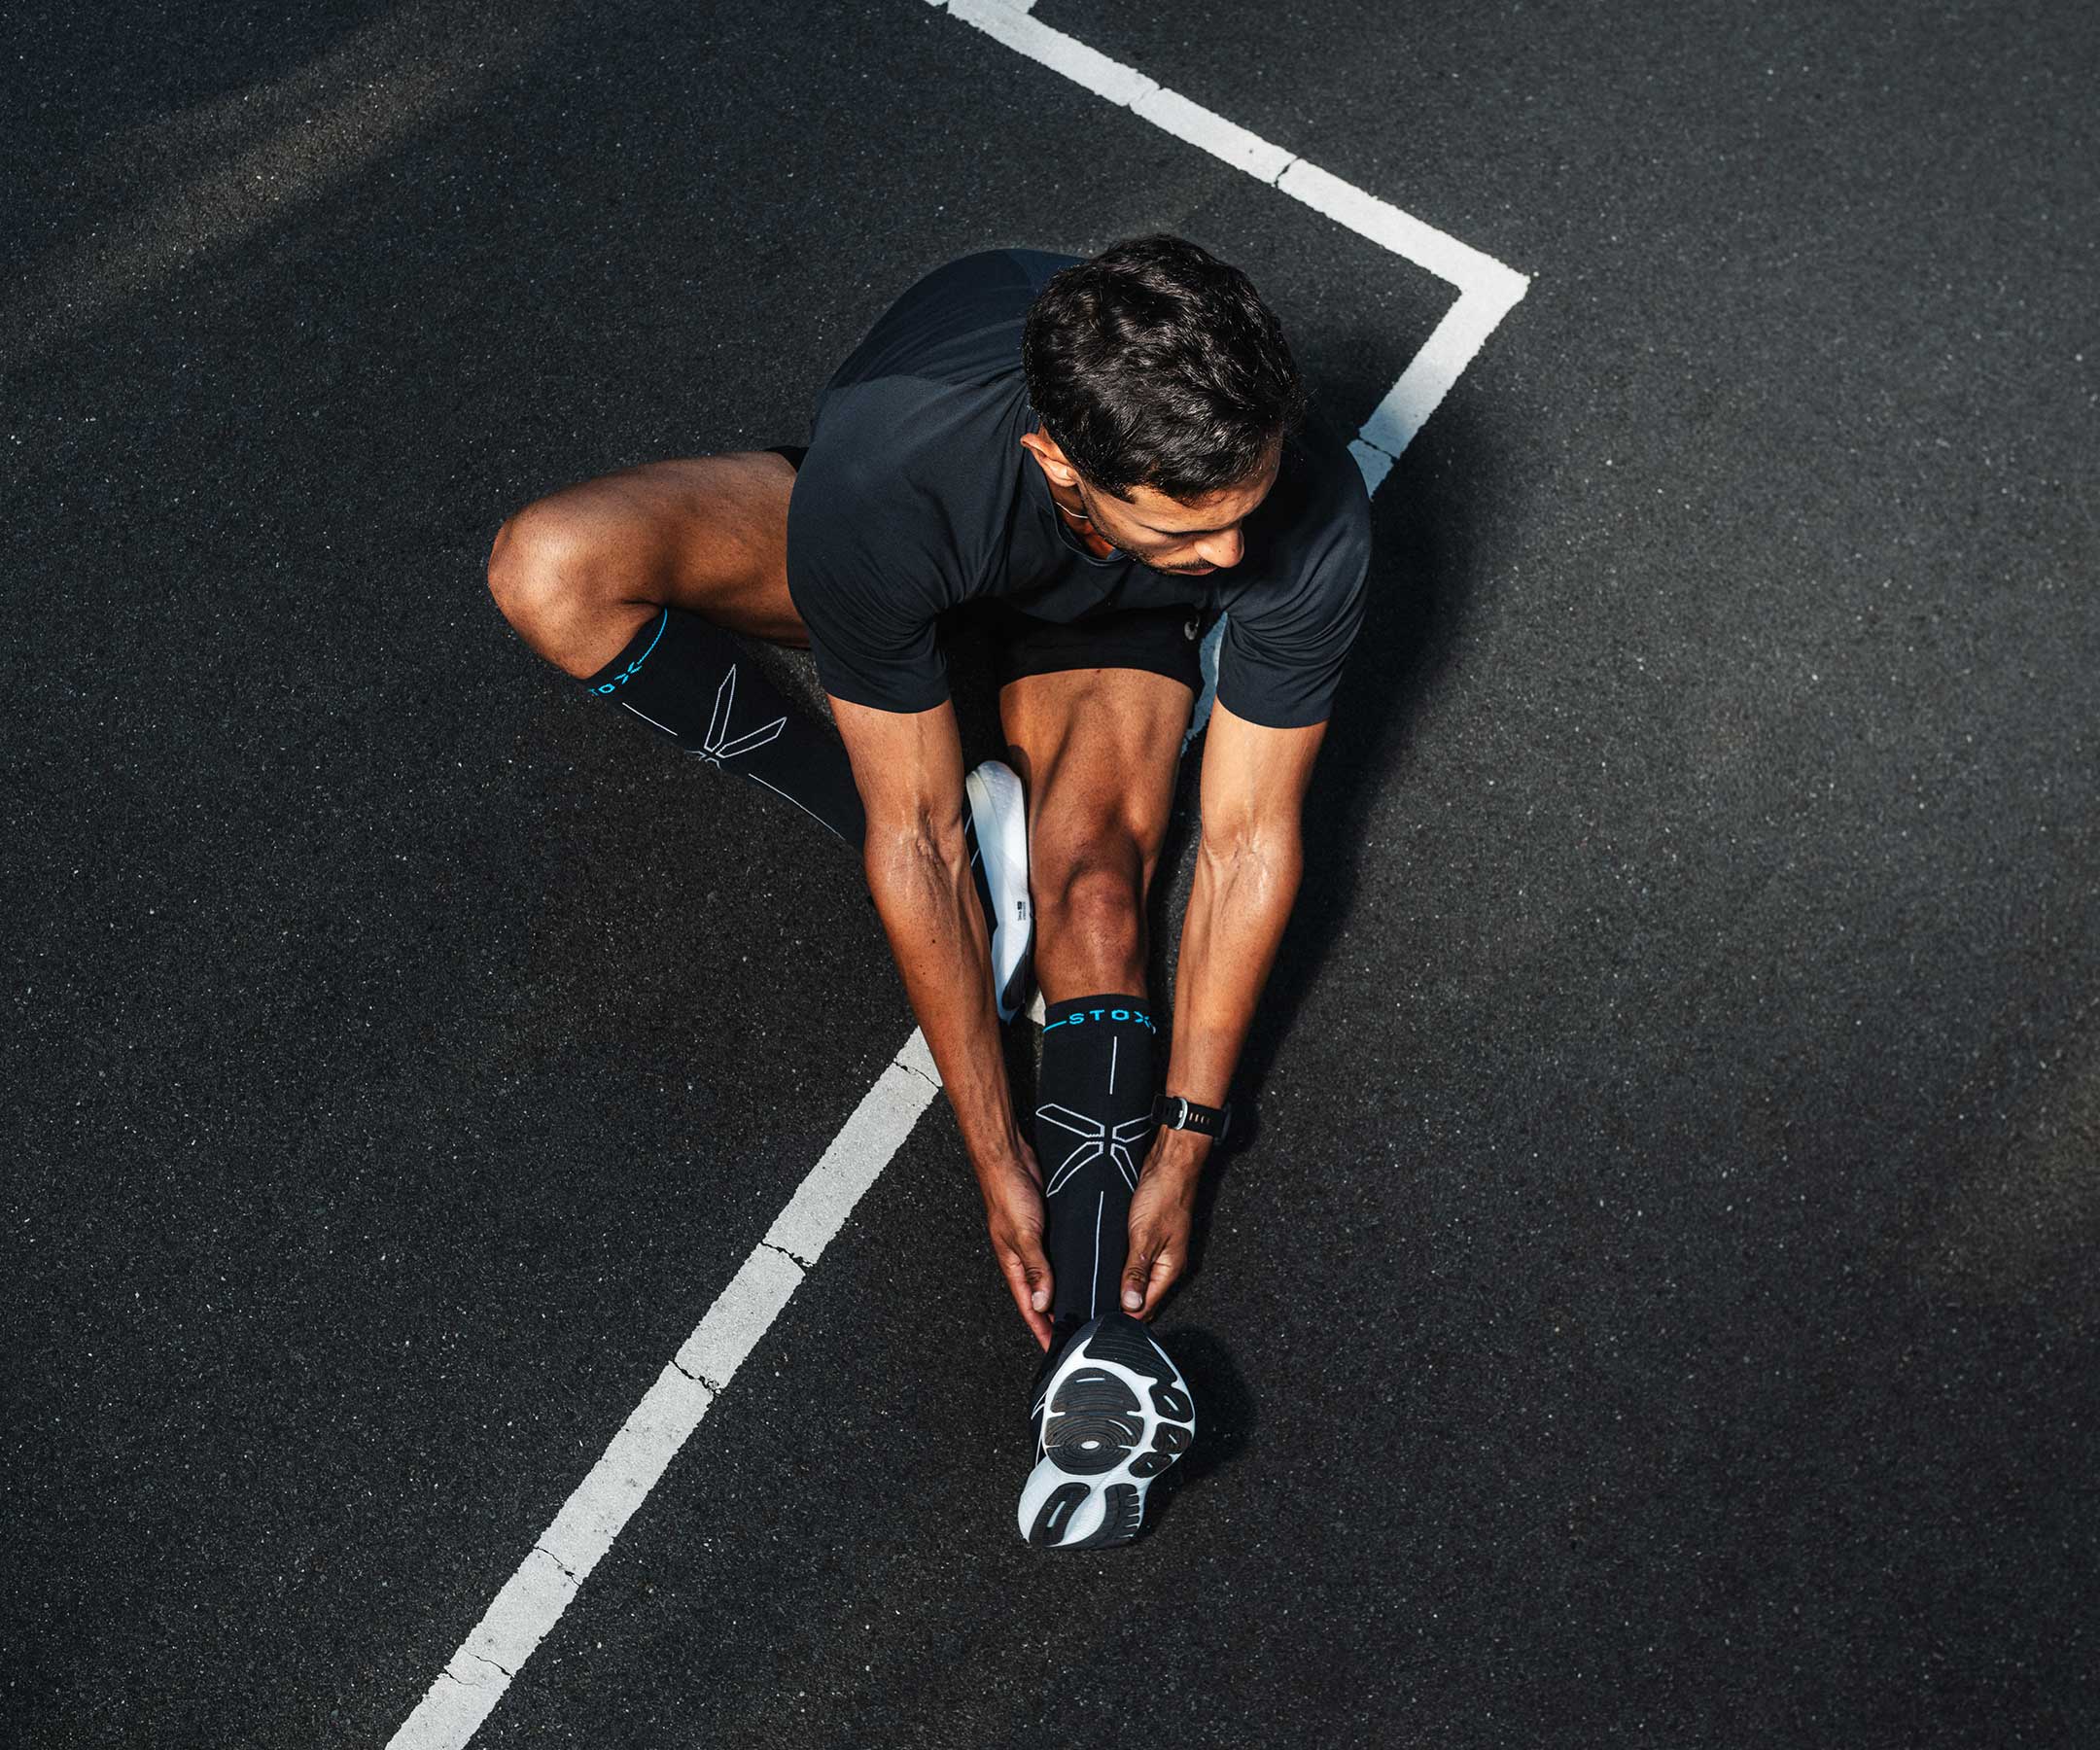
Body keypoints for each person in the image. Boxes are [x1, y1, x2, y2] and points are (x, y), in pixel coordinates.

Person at [486, 237, 1371, 1548]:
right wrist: (991, 1149)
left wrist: (1188, 1139)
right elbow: (915, 841)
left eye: (1252, 502)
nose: (1238, 546)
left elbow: (1247, 840)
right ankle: (977, 811)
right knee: (546, 566)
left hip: (1102, 635)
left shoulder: (1299, 514)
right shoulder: (893, 471)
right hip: (912, 563)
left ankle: (1094, 1352)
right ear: (1059, 464)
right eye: (1195, 528)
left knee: (1097, 904)